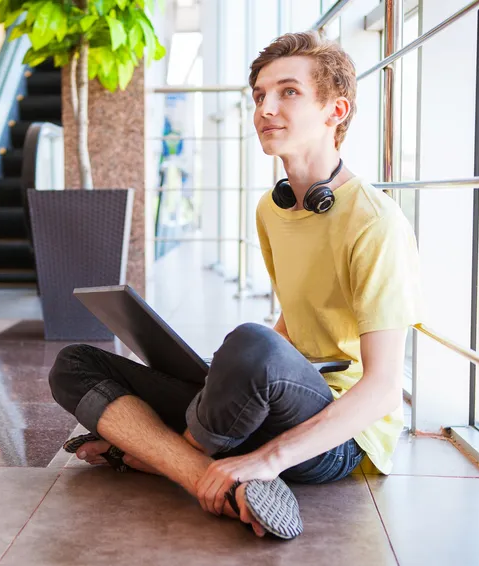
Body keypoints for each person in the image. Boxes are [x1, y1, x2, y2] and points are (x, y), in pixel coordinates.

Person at [48, 30, 422, 540]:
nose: (266, 107)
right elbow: (292, 324)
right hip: (280, 402)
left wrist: (268, 459)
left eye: (288, 92)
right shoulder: (272, 209)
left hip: (338, 436)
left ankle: (167, 458)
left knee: (250, 344)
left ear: (336, 111)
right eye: (260, 95)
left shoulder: (375, 222)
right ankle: (209, 474)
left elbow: (381, 391)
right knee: (75, 363)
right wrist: (223, 380)